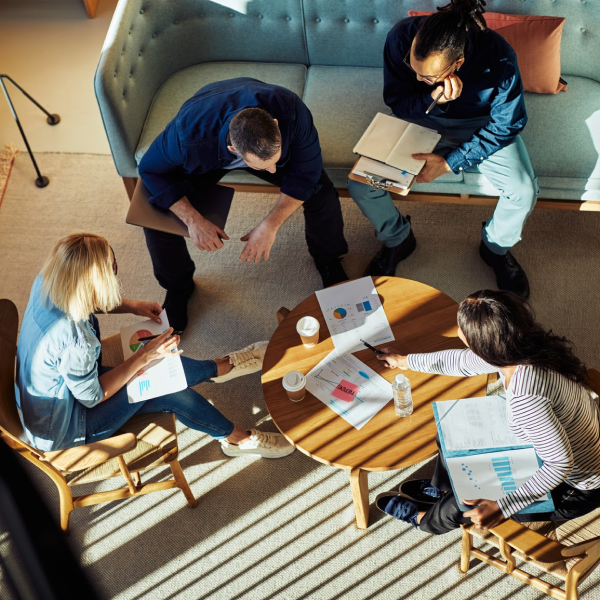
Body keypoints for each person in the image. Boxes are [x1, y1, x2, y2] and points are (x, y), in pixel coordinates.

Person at [15, 233, 294, 459]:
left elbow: (85, 298)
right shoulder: (76, 340)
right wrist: (145, 356)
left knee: (160, 370)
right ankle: (238, 439)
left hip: (59, 392)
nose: (116, 272)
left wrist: (131, 306)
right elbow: (91, 396)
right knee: (169, 390)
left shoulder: (50, 278)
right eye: (112, 270)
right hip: (69, 426)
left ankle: (222, 367)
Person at [348, 0, 538, 299]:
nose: (417, 79)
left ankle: (494, 248)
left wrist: (450, 162)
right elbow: (398, 101)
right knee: (362, 184)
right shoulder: (400, 37)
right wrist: (431, 95)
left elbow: (508, 124)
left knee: (523, 190)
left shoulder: (499, 57)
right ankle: (398, 239)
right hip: (421, 118)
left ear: (458, 63)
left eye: (426, 77)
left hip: (479, 125)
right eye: (414, 68)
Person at [374, 290, 600, 534]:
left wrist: (503, 507)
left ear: (483, 344)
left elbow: (559, 463)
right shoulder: (521, 348)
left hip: (574, 488)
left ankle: (425, 520)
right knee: (449, 433)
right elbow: (461, 362)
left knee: (463, 503)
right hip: (556, 441)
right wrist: (404, 361)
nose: (459, 330)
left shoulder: (527, 399)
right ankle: (440, 488)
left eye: (462, 328)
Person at [139, 77, 349, 332]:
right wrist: (193, 219)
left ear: (275, 125)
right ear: (233, 150)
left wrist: (270, 225)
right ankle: (178, 286)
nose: (273, 171)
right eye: (264, 166)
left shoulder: (292, 111)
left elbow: (307, 175)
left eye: (275, 159)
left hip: (257, 137)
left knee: (322, 193)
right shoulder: (187, 137)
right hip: (206, 153)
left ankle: (328, 260)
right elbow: (149, 169)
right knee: (155, 213)